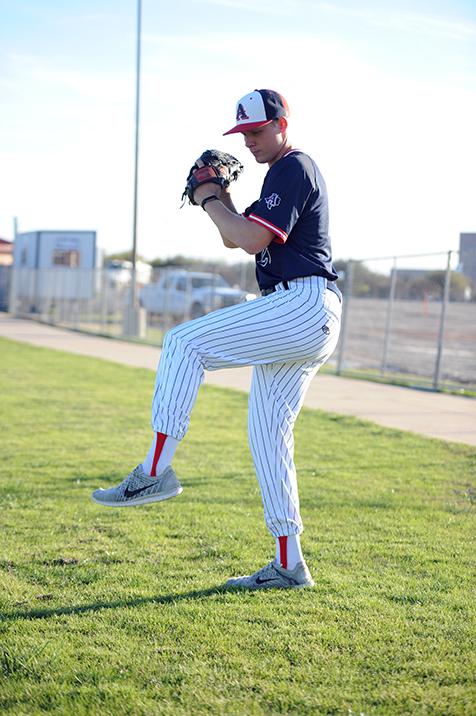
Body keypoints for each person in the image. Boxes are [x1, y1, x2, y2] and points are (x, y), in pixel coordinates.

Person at [92, 88, 342, 590]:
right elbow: (235, 234)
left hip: (301, 303)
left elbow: (250, 240)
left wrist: (207, 196)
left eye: (256, 131)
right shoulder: (279, 174)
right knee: (268, 439)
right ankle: (289, 565)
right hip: (301, 312)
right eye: (241, 133)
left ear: (281, 125)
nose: (247, 141)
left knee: (184, 344)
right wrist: (220, 200)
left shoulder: (294, 166)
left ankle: (155, 470)